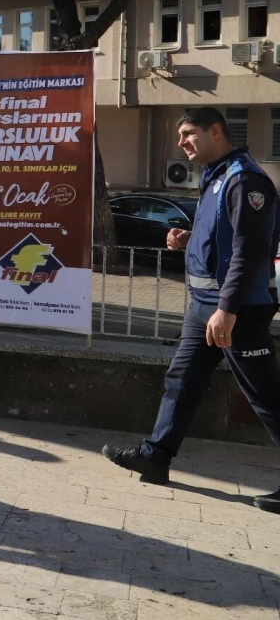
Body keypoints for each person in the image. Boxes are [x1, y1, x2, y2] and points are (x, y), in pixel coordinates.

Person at [102, 107, 280, 514]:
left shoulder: (244, 179)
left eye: (188, 134)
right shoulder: (215, 175)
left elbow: (249, 251)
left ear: (215, 131)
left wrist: (228, 309)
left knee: (265, 397)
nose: (181, 142)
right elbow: (223, 236)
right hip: (205, 308)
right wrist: (189, 238)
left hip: (236, 313)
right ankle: (156, 455)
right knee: (181, 380)